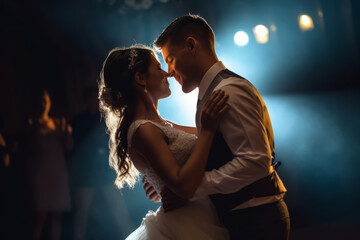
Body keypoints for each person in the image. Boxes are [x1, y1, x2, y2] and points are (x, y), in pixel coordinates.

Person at [147, 14, 290, 240]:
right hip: (244, 217)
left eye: (170, 59)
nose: (169, 71)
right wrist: (166, 183)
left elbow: (255, 162)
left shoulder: (229, 90)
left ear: (191, 45)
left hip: (257, 219)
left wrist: (191, 190)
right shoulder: (211, 93)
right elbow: (217, 148)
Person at [98, 44, 230, 239]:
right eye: (158, 68)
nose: (167, 74)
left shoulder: (161, 125)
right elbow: (181, 183)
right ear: (140, 78)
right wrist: (208, 130)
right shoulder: (142, 130)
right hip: (189, 224)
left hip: (203, 212)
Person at [71, 86, 133, 240]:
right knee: (81, 213)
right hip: (86, 174)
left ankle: (130, 236)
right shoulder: (78, 121)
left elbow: (115, 142)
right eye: (89, 97)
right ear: (85, 100)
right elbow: (75, 148)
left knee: (118, 209)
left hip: (106, 170)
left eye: (95, 97)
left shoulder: (106, 118)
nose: (92, 100)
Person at [24, 89, 72, 240]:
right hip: (40, 172)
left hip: (57, 170)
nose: (43, 104)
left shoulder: (58, 123)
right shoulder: (31, 123)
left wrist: (67, 133)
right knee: (41, 214)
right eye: (40, 101)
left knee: (56, 214)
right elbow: (26, 149)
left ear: (50, 102)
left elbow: (69, 146)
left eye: (46, 101)